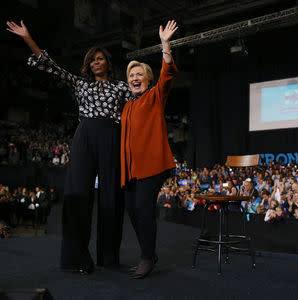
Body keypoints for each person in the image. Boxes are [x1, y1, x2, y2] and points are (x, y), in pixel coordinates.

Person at [7, 20, 132, 274]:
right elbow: (49, 65)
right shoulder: (80, 84)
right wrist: (27, 37)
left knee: (111, 198)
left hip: (111, 136)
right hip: (84, 136)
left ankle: (109, 258)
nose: (96, 62)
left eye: (100, 58)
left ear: (107, 61)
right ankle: (76, 258)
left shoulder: (121, 87)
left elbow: (143, 104)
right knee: (78, 196)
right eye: (92, 59)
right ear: (89, 64)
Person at [121, 20, 179, 279]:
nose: (135, 78)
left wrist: (165, 44)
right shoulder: (127, 106)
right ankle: (149, 253)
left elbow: (168, 74)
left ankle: (147, 258)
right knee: (133, 210)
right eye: (131, 76)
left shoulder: (155, 96)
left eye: (139, 75)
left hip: (151, 166)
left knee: (144, 209)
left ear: (148, 79)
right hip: (131, 169)